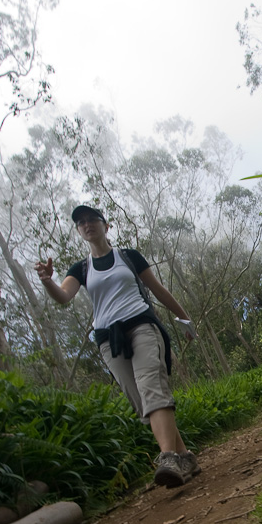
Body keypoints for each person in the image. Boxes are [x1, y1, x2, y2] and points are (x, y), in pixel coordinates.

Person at [34, 205, 200, 489]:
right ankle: (185, 457)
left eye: (92, 220)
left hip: (142, 325)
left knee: (152, 387)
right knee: (140, 400)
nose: (87, 225)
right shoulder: (81, 268)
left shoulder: (128, 257)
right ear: (79, 231)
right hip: (108, 340)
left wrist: (185, 320)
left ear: (105, 225)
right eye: (81, 223)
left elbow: (158, 289)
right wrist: (48, 281)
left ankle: (168, 458)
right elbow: (63, 297)